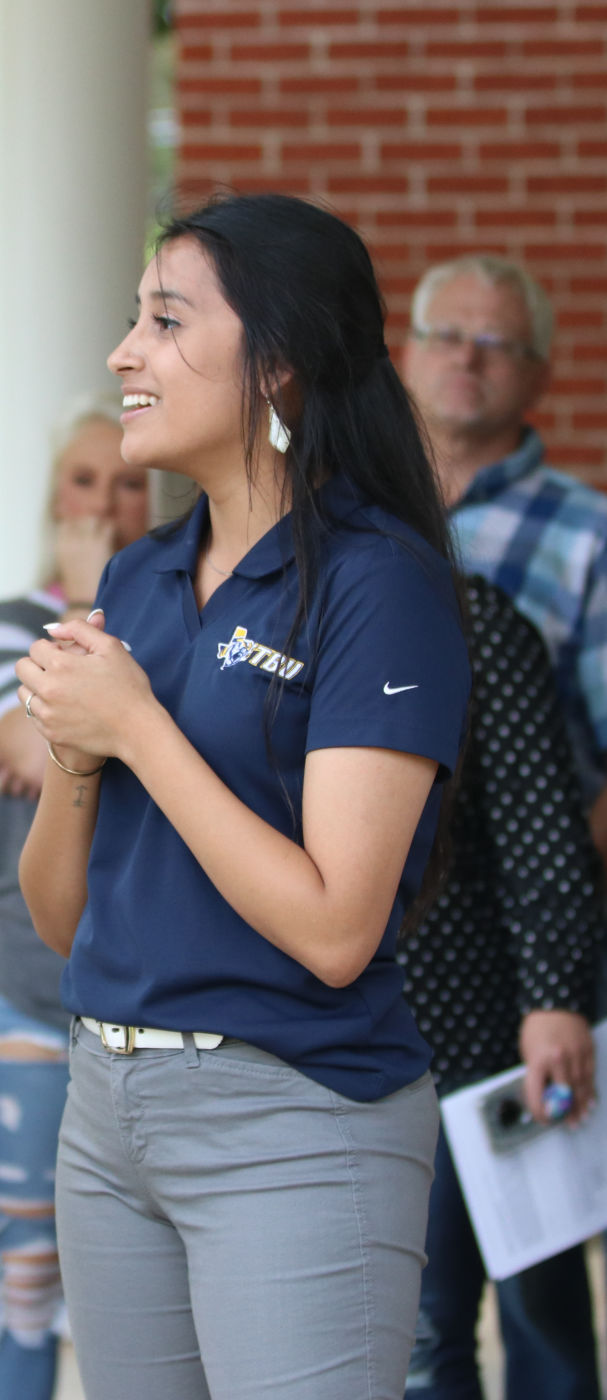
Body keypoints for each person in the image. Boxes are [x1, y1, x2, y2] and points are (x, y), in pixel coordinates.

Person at [14, 193, 471, 1399]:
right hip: (106, 1106)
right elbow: (62, 919)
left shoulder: (380, 584)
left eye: (165, 322)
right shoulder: (141, 572)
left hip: (294, 1115)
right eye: (132, 321)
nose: (125, 354)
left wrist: (138, 728)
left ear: (276, 363)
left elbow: (336, 928)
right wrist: (74, 750)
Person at [401, 254, 607, 1400]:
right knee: (422, 1300)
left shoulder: (585, 535)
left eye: (496, 343)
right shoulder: (363, 522)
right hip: (404, 953)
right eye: (448, 335)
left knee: (535, 1269)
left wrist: (553, 951)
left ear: (537, 373)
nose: (468, 357)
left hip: (538, 948)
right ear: (409, 351)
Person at [0, 392, 146, 1400]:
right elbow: (32, 752)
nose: (105, 505)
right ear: (51, 499)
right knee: (26, 1279)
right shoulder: (5, 625)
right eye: (83, 481)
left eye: (126, 483)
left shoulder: (194, 620)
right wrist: (82, 608)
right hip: (35, 990)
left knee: (152, 1297)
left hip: (160, 1003)